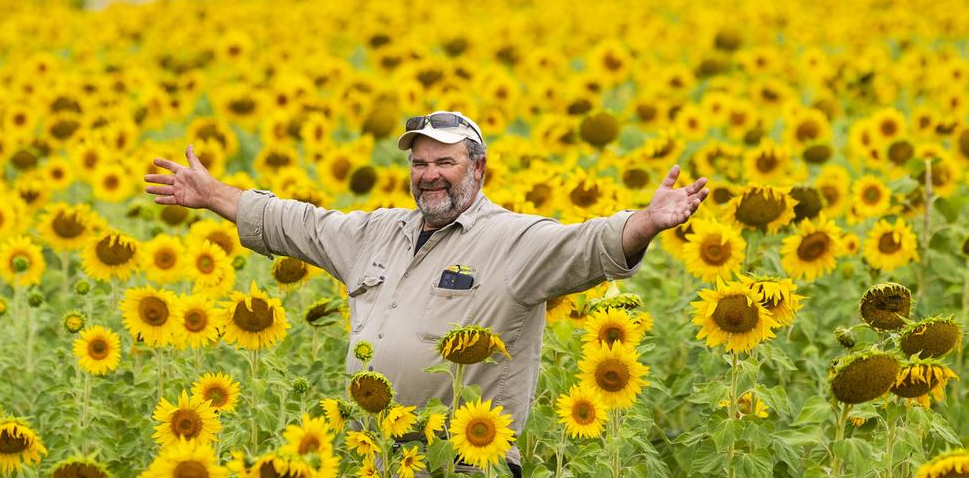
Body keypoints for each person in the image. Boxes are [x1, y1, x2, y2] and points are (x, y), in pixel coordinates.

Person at [144, 110, 708, 476]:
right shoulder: (379, 232)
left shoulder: (511, 240)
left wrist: (647, 221)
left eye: (445, 161)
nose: (430, 174)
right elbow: (303, 225)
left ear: (478, 169)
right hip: (381, 459)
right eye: (419, 163)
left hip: (468, 462)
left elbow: (587, 246)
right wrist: (215, 194)